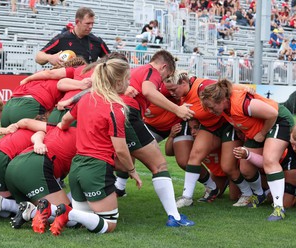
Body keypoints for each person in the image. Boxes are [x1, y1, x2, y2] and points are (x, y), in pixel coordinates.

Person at [45, 59, 142, 236]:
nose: (129, 83)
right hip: (96, 168)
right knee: (109, 223)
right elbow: (120, 149)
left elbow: (65, 119)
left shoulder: (86, 98)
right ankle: (66, 211)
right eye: (128, 79)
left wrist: (62, 128)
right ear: (118, 81)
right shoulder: (116, 108)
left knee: (82, 220)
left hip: (77, 167)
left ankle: (51, 211)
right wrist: (132, 170)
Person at [115, 50, 195, 227]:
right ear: (164, 67)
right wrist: (178, 110)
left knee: (108, 163)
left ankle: (72, 207)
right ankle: (174, 216)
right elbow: (149, 91)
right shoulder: (152, 71)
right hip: (128, 115)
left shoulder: (135, 72)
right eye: (168, 75)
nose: (165, 79)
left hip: (113, 114)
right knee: (159, 165)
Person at [200, 79, 294, 221]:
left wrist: (262, 134)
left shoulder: (241, 103)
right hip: (259, 128)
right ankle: (260, 194)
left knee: (270, 159)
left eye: (212, 107)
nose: (211, 112)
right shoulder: (226, 103)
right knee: (245, 168)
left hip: (278, 120)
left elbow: (272, 114)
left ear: (222, 100)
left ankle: (278, 208)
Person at [167, 71, 255, 208]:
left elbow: (224, 87)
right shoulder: (182, 94)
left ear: (184, 83)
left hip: (227, 124)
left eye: (173, 89)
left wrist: (244, 88)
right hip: (210, 127)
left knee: (228, 167)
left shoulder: (202, 87)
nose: (171, 93)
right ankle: (187, 197)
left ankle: (248, 193)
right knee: (194, 156)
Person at [35, 7, 110, 65]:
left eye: (92, 23)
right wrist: (50, 57)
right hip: (66, 82)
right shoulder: (62, 38)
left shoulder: (97, 41)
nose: (90, 26)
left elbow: (112, 61)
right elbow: (38, 57)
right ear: (77, 22)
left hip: (87, 82)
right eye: (87, 23)